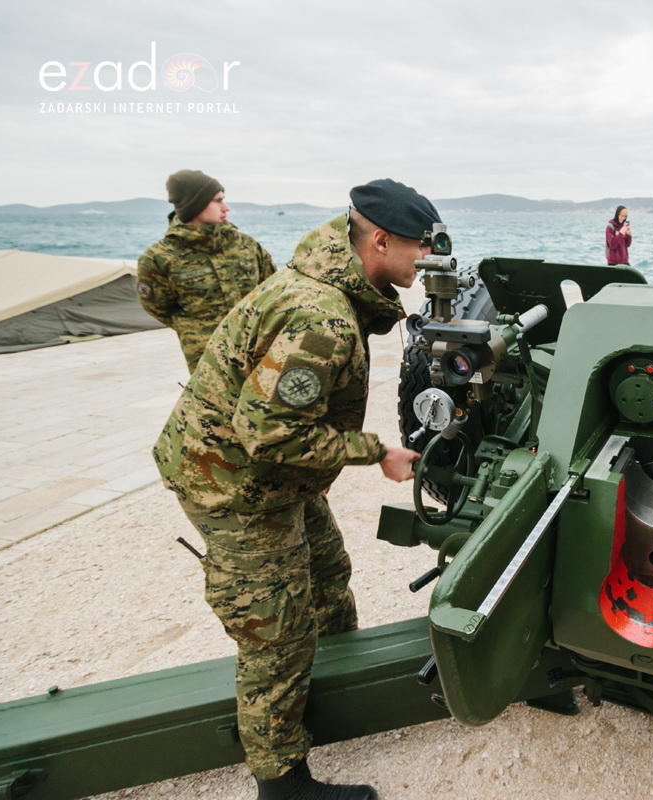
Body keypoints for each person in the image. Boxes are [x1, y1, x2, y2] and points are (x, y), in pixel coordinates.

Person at [152, 179, 433, 800]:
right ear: (380, 240)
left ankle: (332, 698)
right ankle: (283, 783)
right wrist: (374, 451)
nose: (428, 258)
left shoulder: (329, 286)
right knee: (275, 633)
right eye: (421, 245)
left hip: (269, 477)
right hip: (231, 483)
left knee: (329, 576)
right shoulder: (322, 318)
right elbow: (269, 436)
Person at [137, 169, 277, 373]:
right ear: (195, 203)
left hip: (259, 352)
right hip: (207, 361)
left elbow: (273, 289)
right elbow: (158, 308)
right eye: (218, 201)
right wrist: (193, 330)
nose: (226, 207)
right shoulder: (159, 257)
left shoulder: (246, 245)